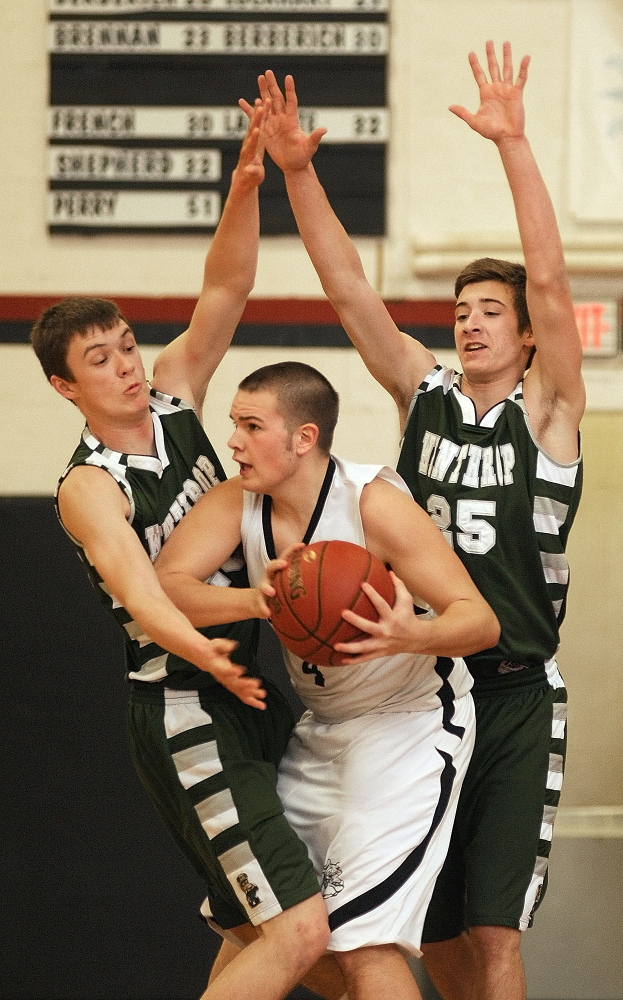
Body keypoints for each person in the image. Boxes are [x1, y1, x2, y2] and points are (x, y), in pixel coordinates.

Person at [249, 42, 585, 1000]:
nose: (470, 322)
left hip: (515, 691)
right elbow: (349, 290)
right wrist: (301, 175)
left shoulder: (549, 414)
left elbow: (556, 285)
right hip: (419, 691)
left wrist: (512, 146)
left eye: (491, 312)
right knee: (418, 944)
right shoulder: (422, 391)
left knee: (493, 939)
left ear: (525, 338)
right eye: (460, 309)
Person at [30, 107, 347, 1000]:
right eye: (102, 360)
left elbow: (226, 287)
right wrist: (205, 639)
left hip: (242, 688)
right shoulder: (88, 487)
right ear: (66, 386)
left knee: (284, 941)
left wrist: (245, 188)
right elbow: (139, 590)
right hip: (183, 709)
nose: (128, 366)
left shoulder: (174, 397)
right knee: (300, 930)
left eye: (127, 345)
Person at [155, 360, 500, 1000]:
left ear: (304, 438)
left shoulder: (373, 504)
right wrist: (260, 600)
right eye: (234, 423)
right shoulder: (239, 502)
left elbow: (479, 620)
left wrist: (410, 635)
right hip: (323, 729)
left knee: (365, 944)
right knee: (262, 928)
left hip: (409, 725)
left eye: (251, 426)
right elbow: (167, 587)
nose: (231, 440)